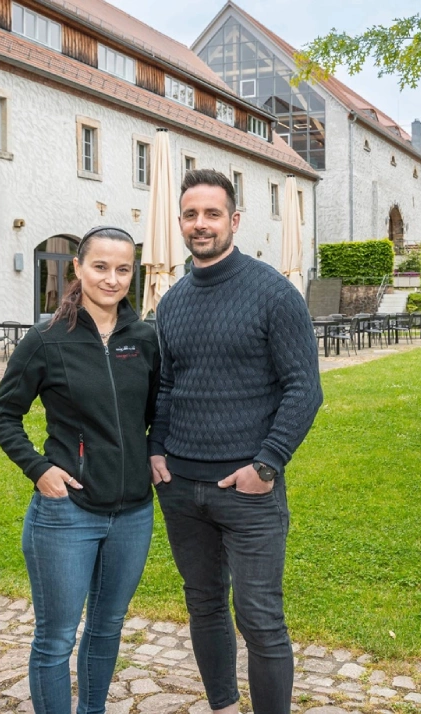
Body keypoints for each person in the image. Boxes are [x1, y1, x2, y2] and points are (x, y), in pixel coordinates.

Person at [148, 169, 323, 714]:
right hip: (181, 488)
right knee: (203, 605)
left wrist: (267, 465)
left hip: (249, 490)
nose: (200, 224)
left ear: (234, 220)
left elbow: (304, 389)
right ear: (180, 222)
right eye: (191, 215)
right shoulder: (172, 302)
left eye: (212, 214)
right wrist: (156, 446)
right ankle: (223, 707)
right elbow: (168, 384)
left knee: (260, 618)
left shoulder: (273, 293)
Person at [0, 226, 160, 714]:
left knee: (107, 627)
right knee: (56, 638)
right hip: (67, 514)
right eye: (100, 267)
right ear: (78, 268)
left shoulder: (144, 339)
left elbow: (158, 411)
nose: (111, 279)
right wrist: (39, 469)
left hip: (133, 514)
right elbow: (3, 414)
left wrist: (156, 452)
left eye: (122, 269)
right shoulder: (46, 340)